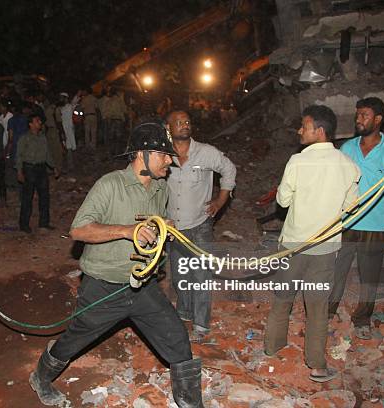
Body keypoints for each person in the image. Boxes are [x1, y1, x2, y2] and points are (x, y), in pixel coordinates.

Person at [29, 118, 204, 407]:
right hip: (104, 288)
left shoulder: (161, 189)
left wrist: (163, 226)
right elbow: (78, 230)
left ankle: (190, 402)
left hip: (143, 286)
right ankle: (41, 377)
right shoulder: (110, 185)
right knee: (74, 340)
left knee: (177, 339)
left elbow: (154, 224)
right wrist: (125, 230)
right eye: (163, 155)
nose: (169, 163)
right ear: (141, 154)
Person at [264, 105, 361, 383]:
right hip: (325, 249)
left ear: (319, 131)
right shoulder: (348, 166)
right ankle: (317, 365)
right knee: (317, 308)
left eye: (303, 126)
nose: (299, 131)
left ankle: (272, 347)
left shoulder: (297, 162)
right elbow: (351, 208)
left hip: (293, 246)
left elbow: (282, 201)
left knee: (283, 299)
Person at [329, 97, 384, 340]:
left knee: (370, 274)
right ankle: (327, 310)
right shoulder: (348, 148)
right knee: (335, 270)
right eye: (357, 115)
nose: (358, 120)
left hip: (375, 224)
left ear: (378, 119)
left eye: (364, 115)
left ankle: (363, 318)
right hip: (345, 222)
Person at [166, 110, 236, 343]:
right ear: (168, 128)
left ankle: (201, 325)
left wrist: (221, 200)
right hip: (174, 229)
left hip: (200, 226)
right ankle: (184, 313)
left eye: (187, 121)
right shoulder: (162, 155)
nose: (184, 125)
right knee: (179, 275)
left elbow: (229, 169)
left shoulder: (206, 152)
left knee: (201, 276)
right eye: (178, 122)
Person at [15, 114, 59, 233]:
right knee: (27, 198)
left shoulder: (42, 137)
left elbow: (47, 154)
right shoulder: (24, 138)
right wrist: (19, 171)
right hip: (29, 168)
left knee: (44, 197)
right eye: (37, 121)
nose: (39, 122)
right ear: (30, 124)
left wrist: (54, 167)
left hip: (41, 168)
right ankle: (24, 225)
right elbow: (19, 156)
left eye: (39, 120)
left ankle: (44, 223)